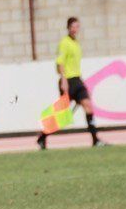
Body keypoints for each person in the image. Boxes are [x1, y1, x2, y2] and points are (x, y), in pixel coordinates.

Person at [37, 17, 105, 149]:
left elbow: (75, 65)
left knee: (88, 106)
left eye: (77, 27)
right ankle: (42, 136)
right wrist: (63, 79)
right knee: (62, 114)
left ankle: (95, 140)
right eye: (73, 27)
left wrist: (82, 82)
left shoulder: (76, 44)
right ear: (68, 28)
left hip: (77, 80)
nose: (75, 29)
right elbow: (60, 62)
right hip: (67, 81)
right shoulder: (65, 43)